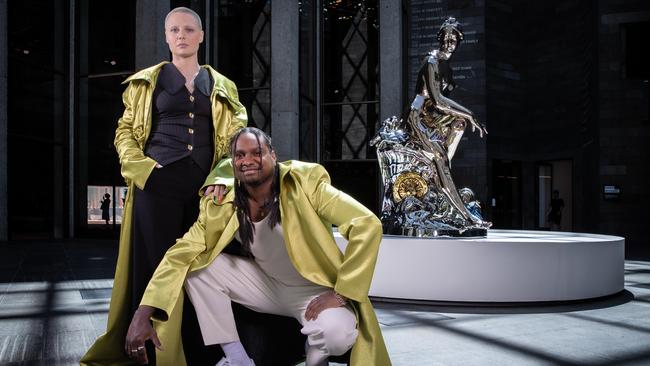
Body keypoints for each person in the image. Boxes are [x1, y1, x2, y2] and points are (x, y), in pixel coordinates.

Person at [124, 127, 391, 366]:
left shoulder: (305, 184)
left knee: (338, 335)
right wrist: (143, 312)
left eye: (257, 152)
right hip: (266, 287)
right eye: (240, 155)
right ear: (233, 164)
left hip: (313, 291)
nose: (248, 160)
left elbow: (367, 224)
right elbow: (181, 252)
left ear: (273, 155)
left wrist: (342, 293)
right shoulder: (222, 203)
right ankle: (237, 357)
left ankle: (315, 355)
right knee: (197, 267)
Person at [81, 7, 247, 365]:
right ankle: (150, 353)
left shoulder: (222, 86)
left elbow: (237, 137)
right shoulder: (145, 81)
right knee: (155, 266)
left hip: (204, 189)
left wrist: (222, 177)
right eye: (174, 30)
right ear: (166, 36)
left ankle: (197, 352)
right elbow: (125, 132)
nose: (181, 35)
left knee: (198, 269)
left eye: (189, 29)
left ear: (201, 36)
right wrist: (143, 170)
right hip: (156, 183)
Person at [401, 16, 488, 228]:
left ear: (458, 41)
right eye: (446, 37)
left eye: (454, 38)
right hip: (417, 117)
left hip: (434, 117)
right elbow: (438, 100)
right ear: (440, 38)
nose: (449, 42)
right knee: (441, 156)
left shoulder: (447, 68)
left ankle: (440, 176)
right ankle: (466, 217)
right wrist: (470, 114)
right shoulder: (431, 61)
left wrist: (463, 118)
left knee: (459, 125)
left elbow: (443, 103)